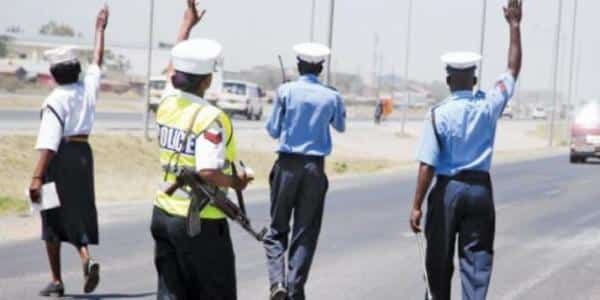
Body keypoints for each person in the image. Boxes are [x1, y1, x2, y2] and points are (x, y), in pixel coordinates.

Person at [409, 1, 522, 299]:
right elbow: (512, 68)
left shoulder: (438, 114)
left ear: (448, 81)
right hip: (480, 191)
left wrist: (417, 205)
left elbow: (427, 165)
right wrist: (514, 26)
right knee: (477, 262)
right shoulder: (488, 105)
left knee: (439, 260)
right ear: (474, 80)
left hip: (448, 190)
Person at [150, 1, 252, 299]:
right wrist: (237, 181)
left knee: (171, 293)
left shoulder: (167, 102)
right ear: (207, 80)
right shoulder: (211, 117)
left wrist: (186, 24)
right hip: (199, 222)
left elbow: (173, 66)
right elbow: (208, 171)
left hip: (163, 214)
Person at [28, 5, 109, 297]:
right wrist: (100, 30)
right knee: (76, 212)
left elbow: (49, 142)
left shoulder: (54, 100)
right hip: (84, 154)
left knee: (51, 216)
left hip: (59, 159)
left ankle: (57, 280)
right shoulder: (87, 88)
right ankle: (86, 258)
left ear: (53, 74)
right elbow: (97, 60)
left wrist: (37, 177)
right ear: (76, 70)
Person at [264, 42, 346, 300]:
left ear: (299, 66)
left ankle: (277, 283)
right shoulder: (332, 96)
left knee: (277, 229)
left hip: (287, 164)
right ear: (321, 68)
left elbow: (273, 130)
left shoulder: (286, 91)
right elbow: (340, 125)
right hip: (314, 168)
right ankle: (295, 286)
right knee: (305, 231)